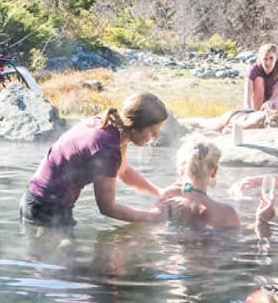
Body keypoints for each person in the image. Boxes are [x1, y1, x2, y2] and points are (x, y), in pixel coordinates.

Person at [20, 92, 173, 226]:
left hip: (39, 200)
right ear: (135, 126)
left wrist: (160, 192)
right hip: (45, 209)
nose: (155, 136)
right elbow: (107, 208)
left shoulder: (110, 124)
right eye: (153, 131)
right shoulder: (107, 148)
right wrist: (152, 217)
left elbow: (124, 171)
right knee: (61, 258)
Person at [195, 44, 278, 134]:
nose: (268, 62)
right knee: (210, 125)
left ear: (276, 57)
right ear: (260, 58)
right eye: (265, 59)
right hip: (256, 102)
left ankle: (269, 125)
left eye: (271, 58)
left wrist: (270, 103)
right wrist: (249, 111)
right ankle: (253, 117)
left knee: (277, 103)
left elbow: (276, 95)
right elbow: (247, 95)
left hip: (271, 102)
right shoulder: (254, 70)